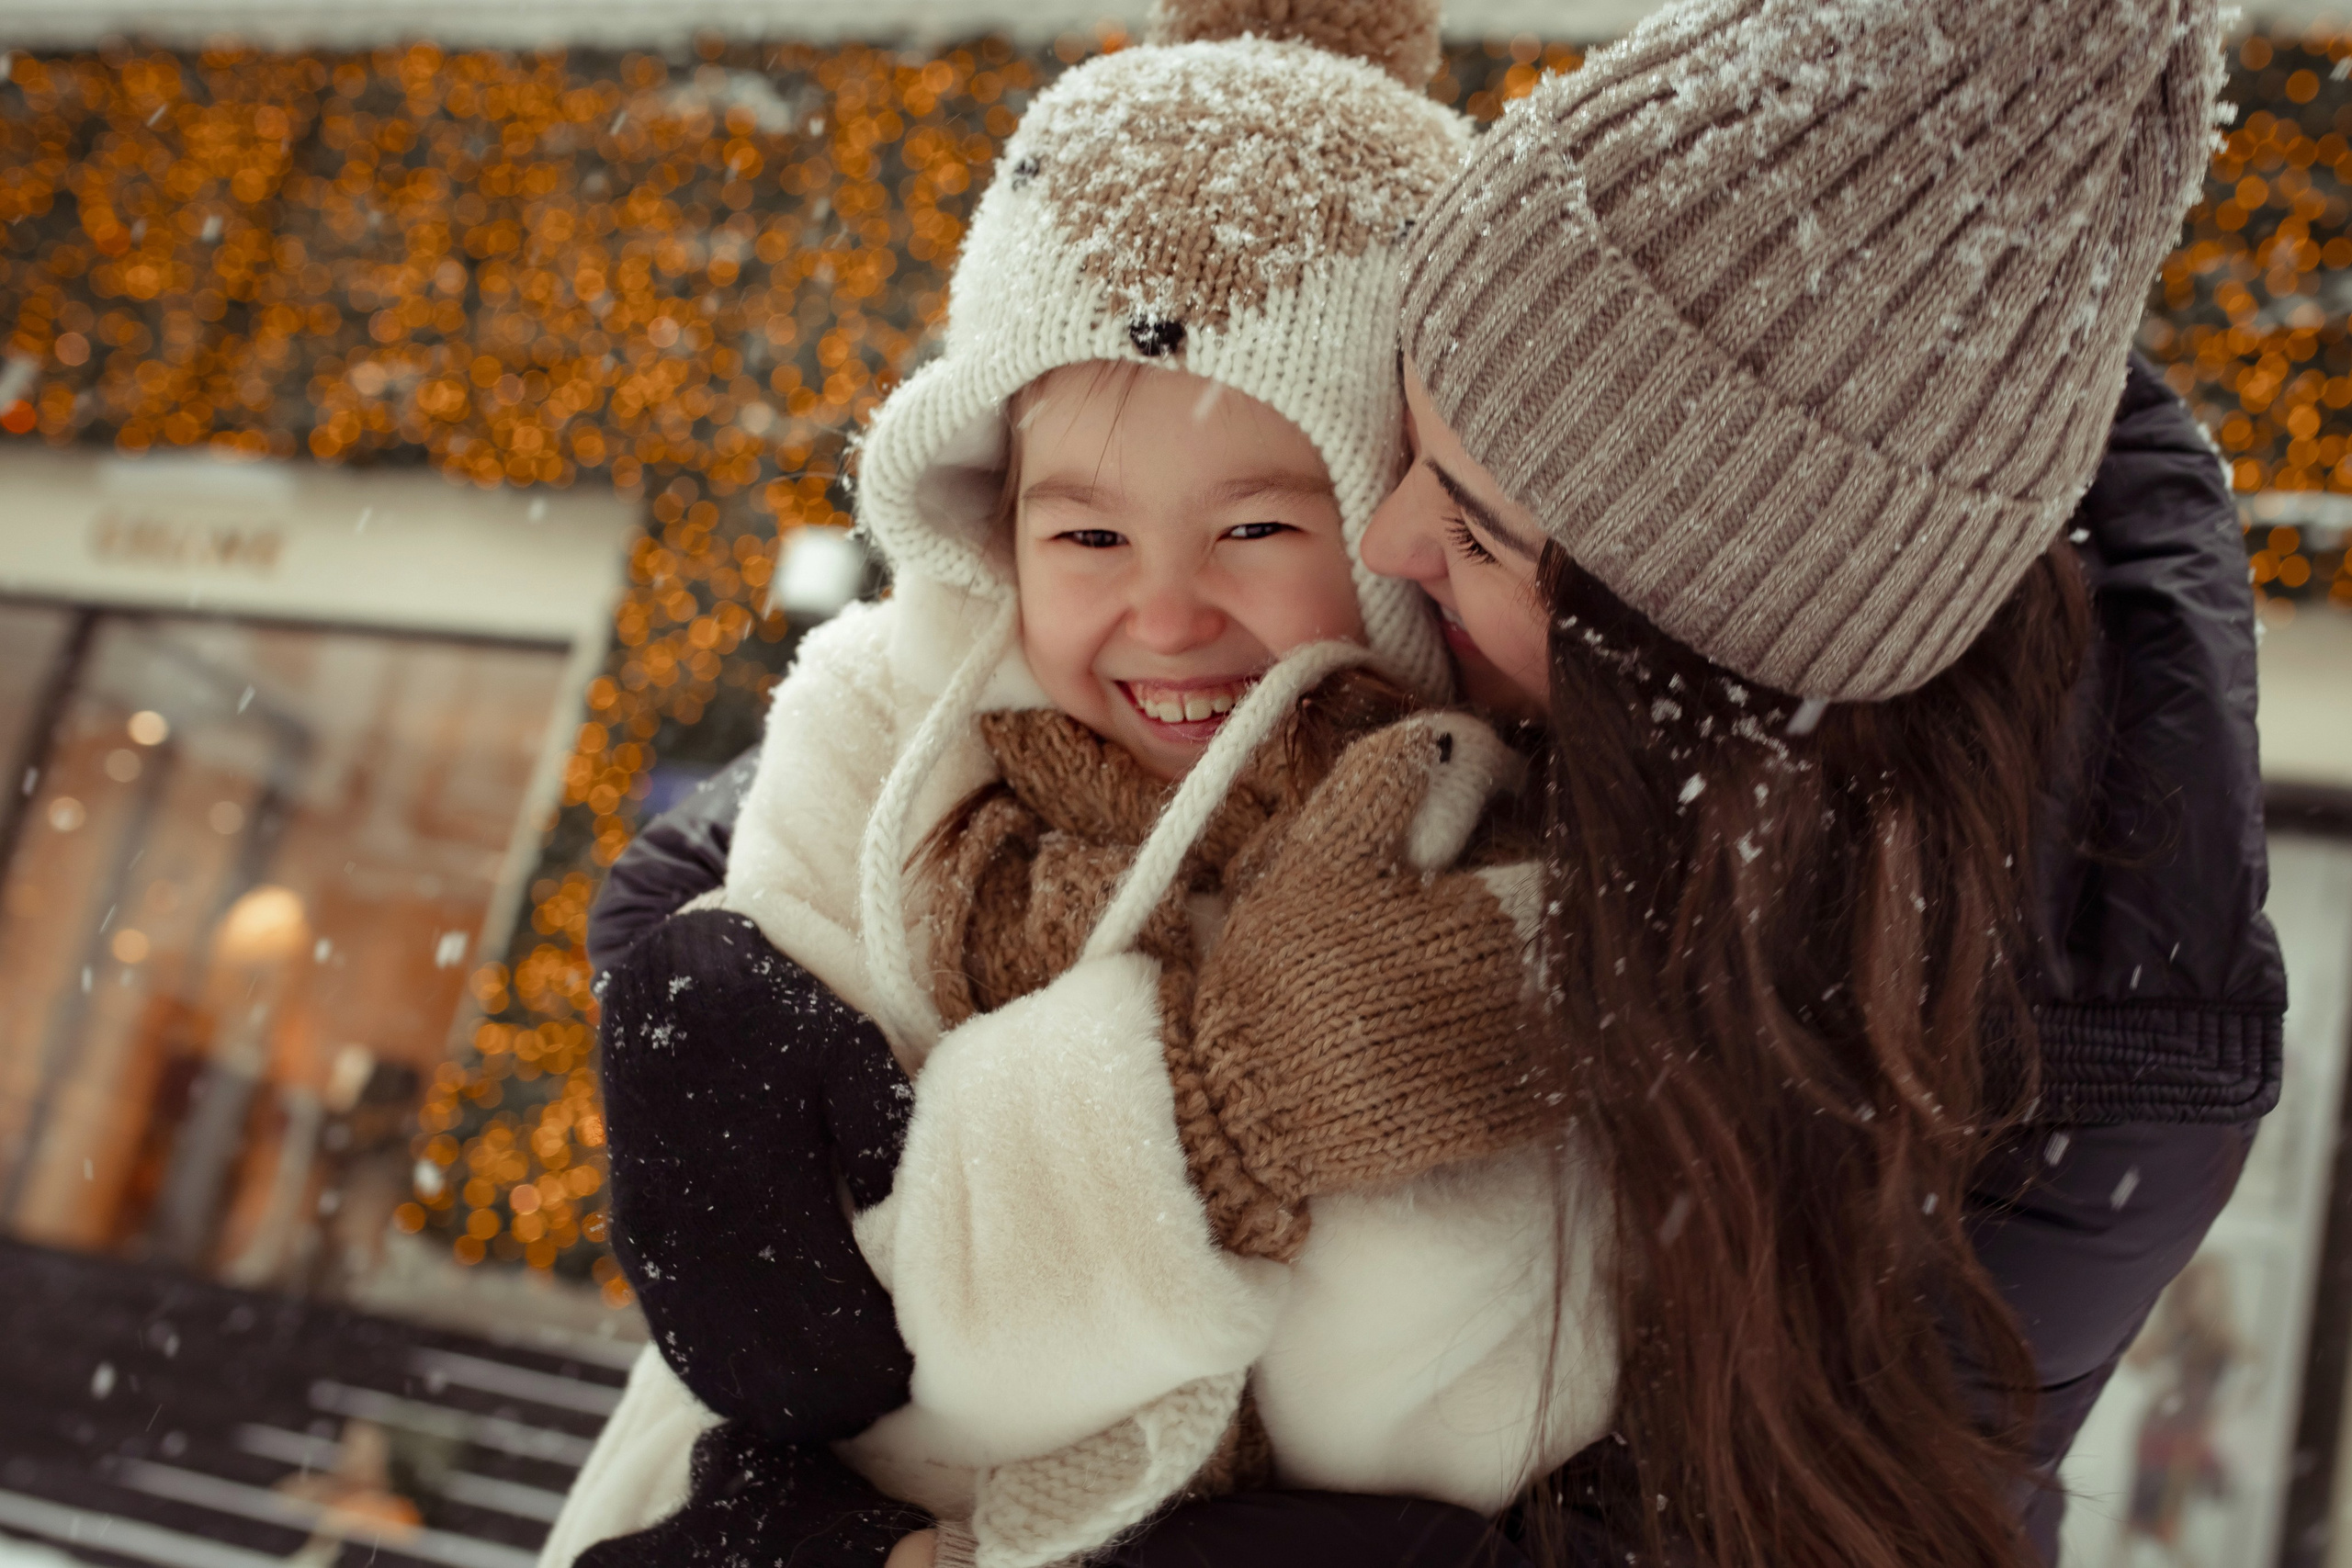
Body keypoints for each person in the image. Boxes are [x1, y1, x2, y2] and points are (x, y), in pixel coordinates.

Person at [563, 0, 2282, 1563]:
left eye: (1459, 522)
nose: (1386, 536)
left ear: (1670, 664)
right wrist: (700, 1006)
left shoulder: (2058, 1063)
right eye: (1404, 448)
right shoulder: (1630, 498)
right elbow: (836, 780)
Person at [545, 7, 1618, 1567]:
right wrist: (1211, 1111)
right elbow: (811, 1329)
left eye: (1258, 531)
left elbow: (1519, 1353)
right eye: (1088, 538)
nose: (1167, 614)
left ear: (1398, 525)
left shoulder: (1490, 824)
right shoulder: (901, 744)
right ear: (994, 526)